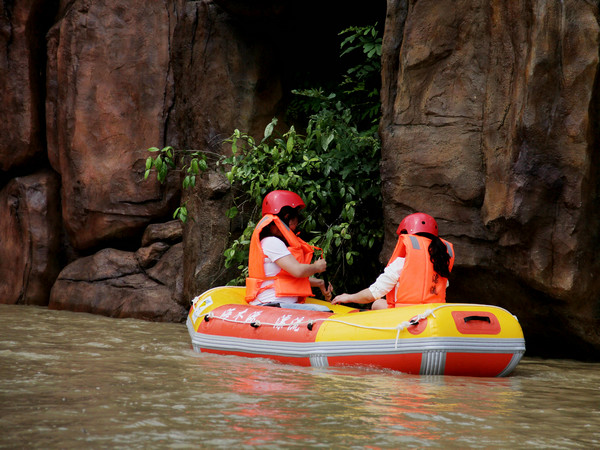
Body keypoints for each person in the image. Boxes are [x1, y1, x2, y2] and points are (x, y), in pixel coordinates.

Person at [332, 212, 454, 310]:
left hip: (405, 316)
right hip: (432, 314)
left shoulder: (401, 264)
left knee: (377, 303)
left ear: (407, 235)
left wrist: (349, 297)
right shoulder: (442, 262)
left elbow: (373, 293)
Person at [245, 190, 333, 311]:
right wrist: (317, 267)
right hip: (271, 305)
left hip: (279, 305)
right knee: (324, 311)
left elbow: (288, 278)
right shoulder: (272, 242)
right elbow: (297, 271)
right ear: (287, 217)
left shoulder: (273, 242)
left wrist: (320, 283)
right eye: (296, 216)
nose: (297, 222)